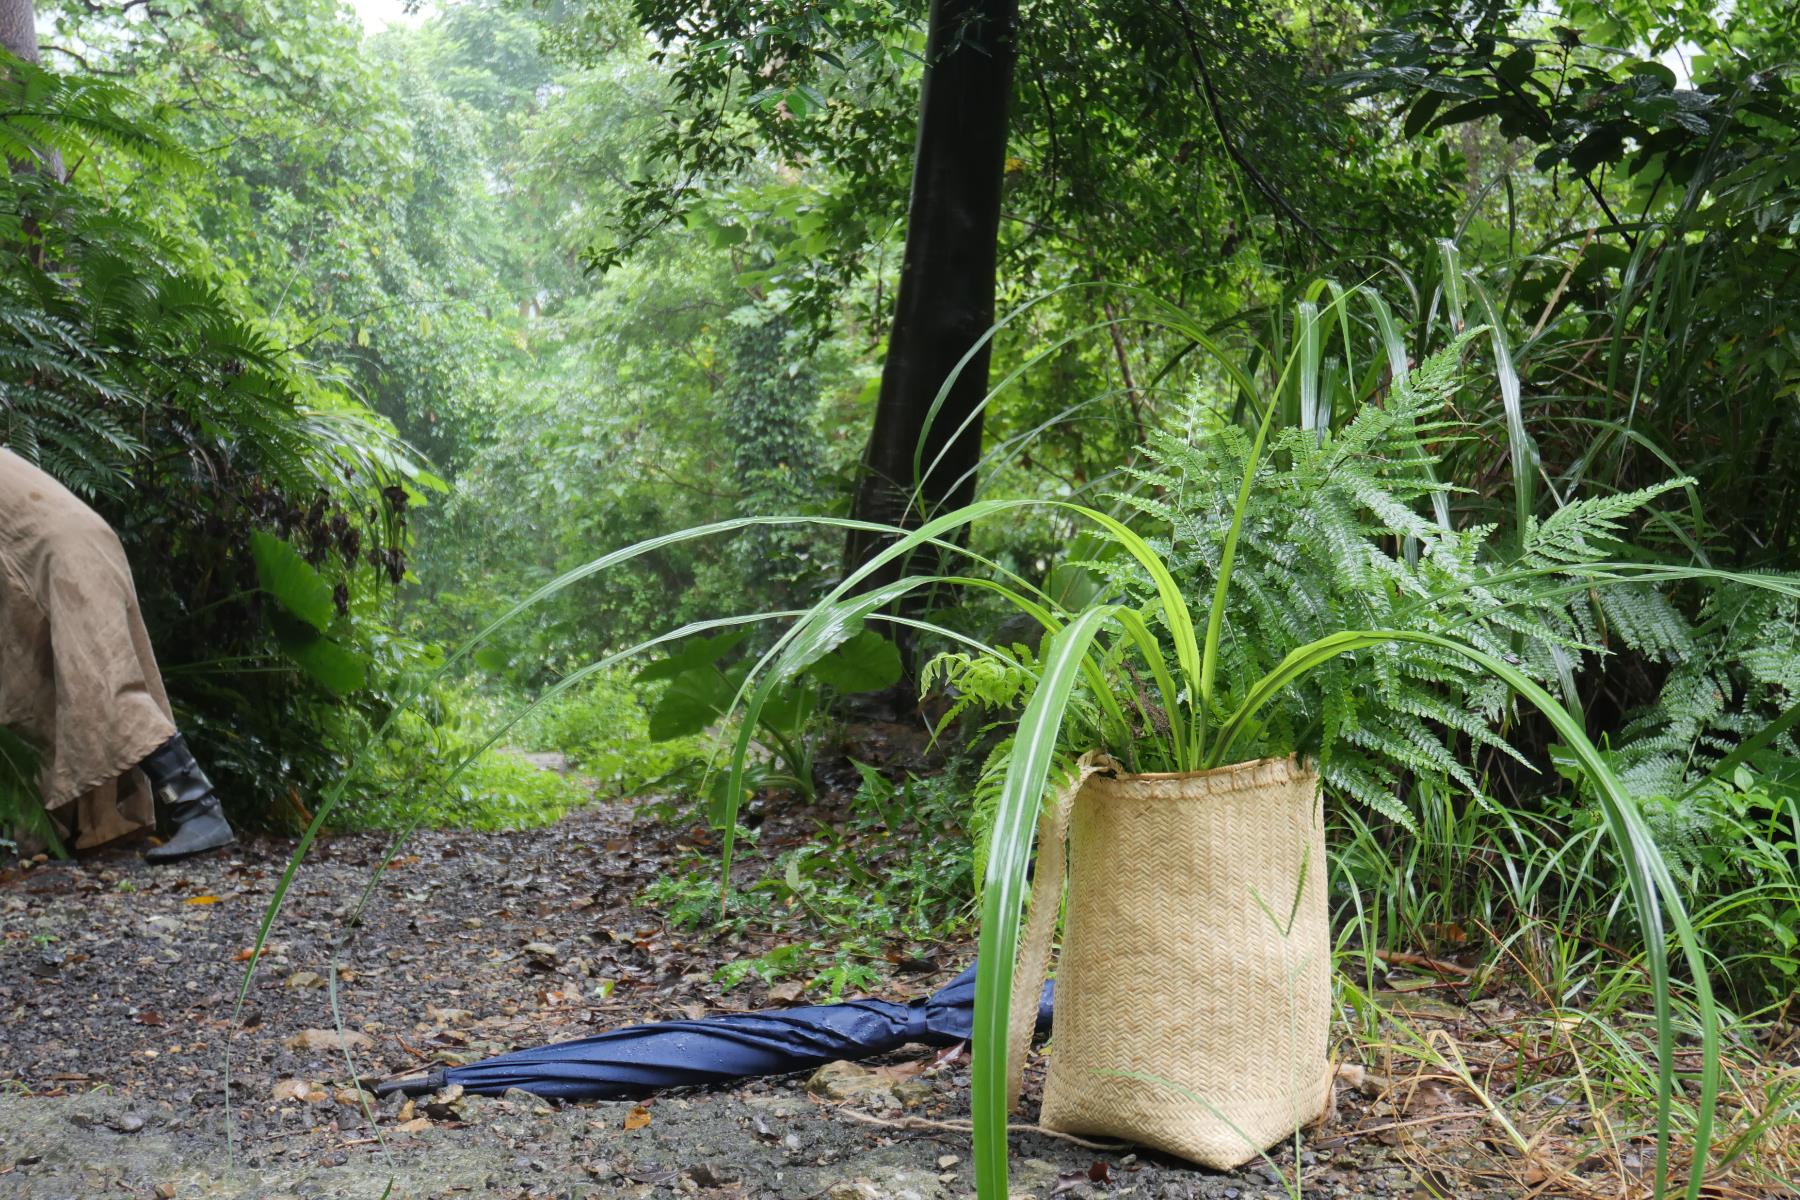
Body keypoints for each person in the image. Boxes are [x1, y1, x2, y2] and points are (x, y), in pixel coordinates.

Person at [0, 447, 234, 862]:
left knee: (103, 685)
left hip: (64, 557)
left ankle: (197, 807)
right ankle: (96, 832)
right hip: (62, 549)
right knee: (48, 693)